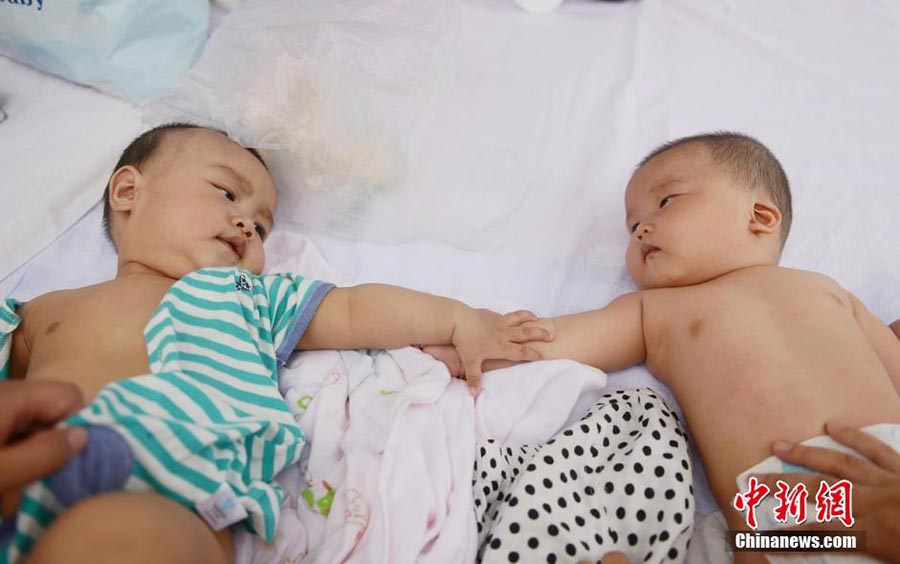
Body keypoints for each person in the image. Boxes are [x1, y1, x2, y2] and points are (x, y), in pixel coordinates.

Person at [0, 123, 553, 564]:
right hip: (28, 476)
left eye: (263, 228)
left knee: (125, 539)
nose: (246, 224)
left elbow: (355, 309)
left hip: (172, 493)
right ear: (128, 191)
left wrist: (457, 318)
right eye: (225, 192)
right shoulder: (45, 308)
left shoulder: (243, 292)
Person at [425, 132, 900, 563]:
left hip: (885, 470)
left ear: (759, 217)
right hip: (774, 508)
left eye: (666, 202)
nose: (641, 230)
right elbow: (557, 341)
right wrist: (477, 343)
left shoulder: (827, 289)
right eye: (633, 226)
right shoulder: (656, 310)